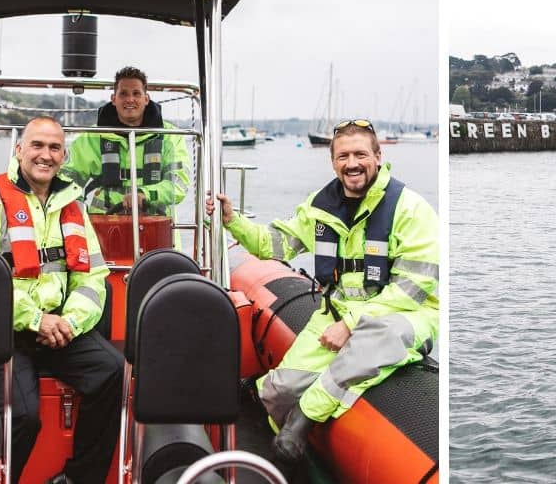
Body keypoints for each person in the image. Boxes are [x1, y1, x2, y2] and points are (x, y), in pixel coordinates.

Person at [206, 119, 438, 462]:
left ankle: (304, 419)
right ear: (333, 163)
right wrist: (232, 220)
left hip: (403, 316)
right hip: (337, 312)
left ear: (378, 156)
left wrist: (351, 325)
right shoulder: (322, 205)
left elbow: (412, 288)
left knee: (378, 337)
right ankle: (285, 455)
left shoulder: (410, 209)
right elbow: (277, 244)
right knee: (280, 390)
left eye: (360, 154)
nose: (352, 163)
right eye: (343, 156)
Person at [0, 116, 122, 484]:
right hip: (5, 332)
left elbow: (93, 279)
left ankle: (77, 478)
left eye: (54, 148)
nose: (45, 155)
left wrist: (71, 322)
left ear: (64, 156)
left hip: (61, 327)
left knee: (113, 371)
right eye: (37, 146)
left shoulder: (72, 205)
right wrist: (34, 319)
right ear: (19, 150)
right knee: (24, 416)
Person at [61, 66, 191, 218]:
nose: (130, 99)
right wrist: (77, 216)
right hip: (103, 228)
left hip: (157, 227)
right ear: (114, 99)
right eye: (123, 94)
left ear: (146, 99)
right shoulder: (93, 137)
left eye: (136, 93)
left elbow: (178, 183)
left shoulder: (170, 136)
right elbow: (67, 179)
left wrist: (145, 194)